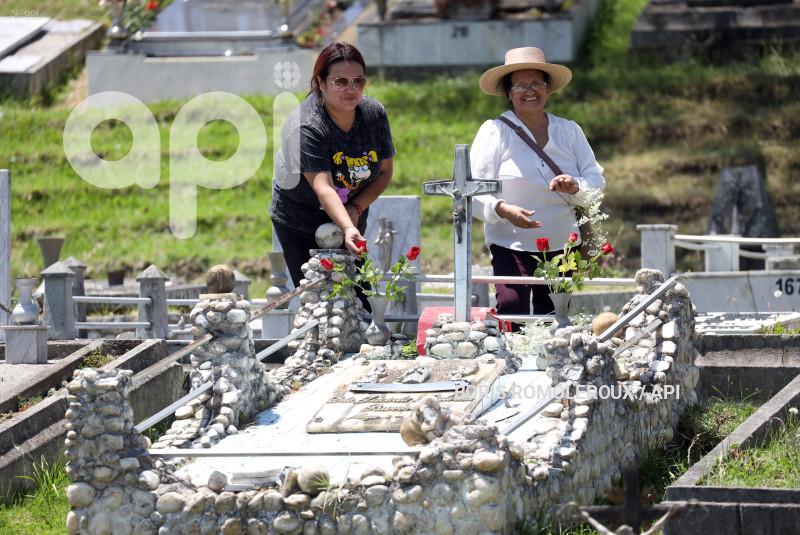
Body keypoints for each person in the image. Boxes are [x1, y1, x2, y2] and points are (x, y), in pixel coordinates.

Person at [470, 47, 606, 327]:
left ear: (547, 89)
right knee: (511, 308)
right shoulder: (494, 131)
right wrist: (503, 209)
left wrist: (574, 186)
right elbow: (473, 190)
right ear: (508, 93)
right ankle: (510, 367)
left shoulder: (569, 131)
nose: (529, 91)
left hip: (563, 246)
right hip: (511, 242)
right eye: (520, 85)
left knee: (554, 318)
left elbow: (596, 181)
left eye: (537, 84)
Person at [270, 42, 396, 298]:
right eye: (340, 81)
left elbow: (384, 173)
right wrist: (348, 228)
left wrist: (356, 210)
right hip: (301, 218)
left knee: (360, 300)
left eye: (358, 81)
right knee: (321, 301)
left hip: (351, 211)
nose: (351, 89)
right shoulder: (306, 126)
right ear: (321, 83)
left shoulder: (374, 115)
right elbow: (323, 187)